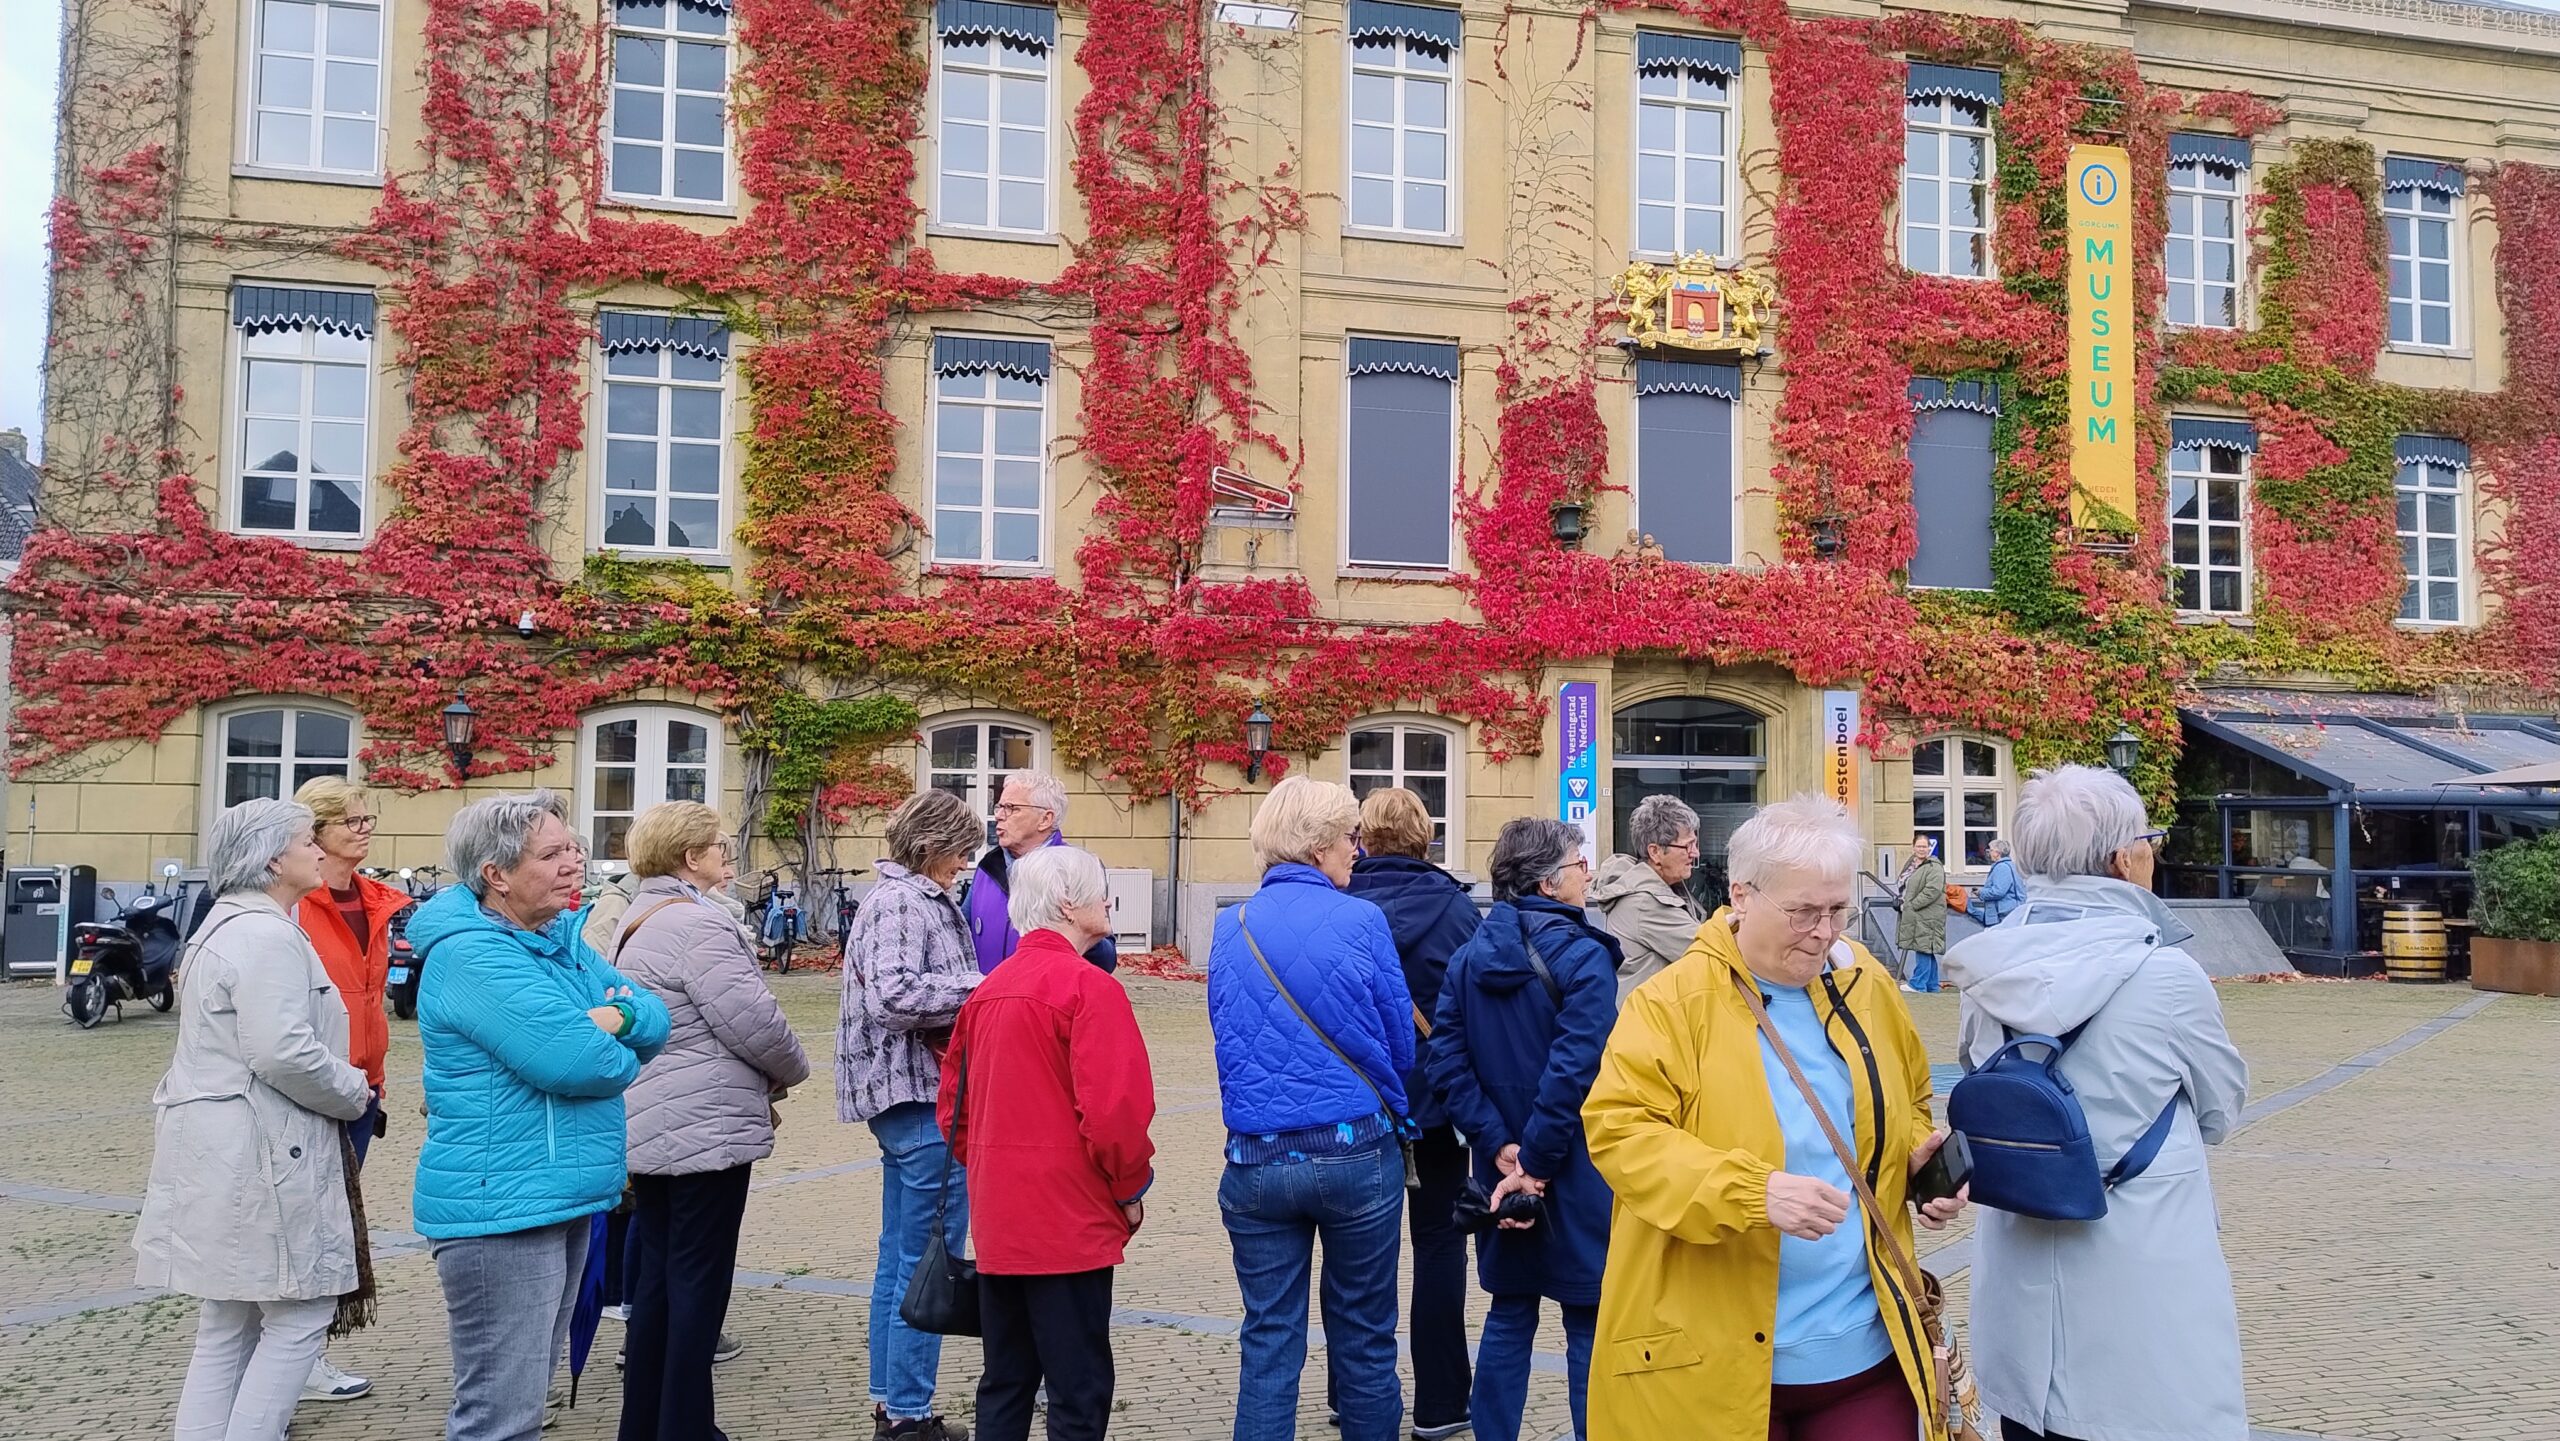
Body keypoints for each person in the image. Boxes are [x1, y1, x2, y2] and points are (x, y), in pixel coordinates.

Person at [1582, 795, 1966, 1440]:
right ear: (1741, 894)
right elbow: (1622, 1134)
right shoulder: (1670, 1004)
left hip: (1864, 1347)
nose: (1824, 931)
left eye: (1837, 909)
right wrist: (1752, 1191)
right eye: (1803, 912)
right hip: (1708, 1355)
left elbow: (1909, 1096)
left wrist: (1914, 1160)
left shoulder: (1863, 982)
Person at [1943, 766, 2252, 1441]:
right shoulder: (2167, 974)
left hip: (2020, 1265)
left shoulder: (1988, 966)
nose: (2154, 851)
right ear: (2120, 857)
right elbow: (2223, 1107)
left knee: (2029, 1420)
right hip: (2143, 1275)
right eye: (2150, 838)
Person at [407, 790, 671, 1441]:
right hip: (501, 1208)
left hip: (557, 1196)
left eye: (573, 847)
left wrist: (618, 1017)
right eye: (551, 853)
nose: (573, 861)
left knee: (521, 1404)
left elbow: (656, 1016)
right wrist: (614, 1037)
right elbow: (585, 1063)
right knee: (499, 1415)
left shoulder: (558, 941)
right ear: (496, 874)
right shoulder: (475, 954)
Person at [133, 798, 375, 1441]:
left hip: (227, 1139)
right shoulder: (264, 932)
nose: (320, 851)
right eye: (307, 842)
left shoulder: (230, 925)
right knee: (299, 1314)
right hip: (261, 1144)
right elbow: (282, 1051)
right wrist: (353, 1092)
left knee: (230, 1318)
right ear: (274, 859)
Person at [1207, 775, 1415, 1441]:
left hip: (1258, 1158)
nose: (1357, 850)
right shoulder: (1361, 920)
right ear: (1322, 844)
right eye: (1350, 838)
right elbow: (1400, 1042)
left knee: (1268, 1341)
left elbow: (1227, 1033)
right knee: (1364, 1336)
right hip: (1354, 1149)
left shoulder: (1228, 926)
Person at [940, 845, 1157, 1441]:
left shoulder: (987, 991)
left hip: (1002, 1215)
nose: (1107, 900)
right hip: (1070, 1219)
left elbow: (953, 1110)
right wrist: (1129, 1186)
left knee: (1005, 1381)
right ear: (1068, 903)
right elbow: (1115, 1113)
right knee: (1077, 1389)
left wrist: (989, 1166)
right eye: (1098, 890)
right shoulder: (1090, 989)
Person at [610, 802, 811, 1441]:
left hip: (658, 1118)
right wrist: (794, 1068)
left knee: (661, 1281)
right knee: (696, 1284)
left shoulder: (635, 916)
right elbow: (754, 1021)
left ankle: (648, 1422)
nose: (729, 856)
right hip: (704, 1127)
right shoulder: (696, 925)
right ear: (690, 857)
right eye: (720, 847)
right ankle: (686, 1428)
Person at [1429, 818, 1622, 1441]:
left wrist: (1499, 1146)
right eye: (1578, 864)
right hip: (1573, 1167)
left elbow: (1447, 1065)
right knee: (1587, 1322)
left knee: (1509, 1316)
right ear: (1548, 881)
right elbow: (1575, 1074)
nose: (1587, 874)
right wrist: (1533, 1161)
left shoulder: (1465, 959)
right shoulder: (1586, 956)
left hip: (1501, 1171)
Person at [838, 789, 987, 1441]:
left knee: (900, 1254)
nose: (966, 862)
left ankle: (890, 1400)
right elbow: (895, 996)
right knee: (928, 1258)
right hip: (919, 1096)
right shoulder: (904, 899)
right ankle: (907, 1414)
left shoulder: (896, 896)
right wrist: (987, 991)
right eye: (961, 850)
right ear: (931, 847)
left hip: (905, 1098)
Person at [1342, 786, 1479, 1439]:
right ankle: (1443, 1402)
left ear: (1361, 837)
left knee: (1353, 1255)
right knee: (1439, 1246)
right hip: (1436, 1102)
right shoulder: (1456, 910)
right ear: (1427, 838)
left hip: (1358, 1102)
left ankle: (1353, 1391)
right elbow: (1474, 1010)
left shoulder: (1339, 905)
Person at [285, 776, 412, 1404]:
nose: (366, 830)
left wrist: (373, 1082)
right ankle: (291, 1363)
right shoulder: (296, 906)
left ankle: (303, 1357)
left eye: (367, 820)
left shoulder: (379, 902)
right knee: (307, 1229)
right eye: (353, 822)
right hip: (313, 1088)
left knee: (335, 1228)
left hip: (365, 1087)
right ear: (318, 832)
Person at [965, 770, 1118, 973]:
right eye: (1000, 806)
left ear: (1045, 819)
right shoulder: (988, 867)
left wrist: (1079, 928)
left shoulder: (1077, 870)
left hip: (1047, 1001)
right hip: (991, 1000)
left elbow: (1106, 960)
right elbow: (960, 932)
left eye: (1011, 808)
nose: (999, 816)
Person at [1590, 794, 1707, 999]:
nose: (1695, 853)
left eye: (1696, 844)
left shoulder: (1649, 886)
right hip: (1648, 1025)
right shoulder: (1646, 902)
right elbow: (1710, 950)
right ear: (1655, 852)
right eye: (1687, 846)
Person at [1898, 832, 1947, 993]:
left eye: (1924, 846)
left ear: (1929, 848)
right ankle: (1931, 985)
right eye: (1918, 846)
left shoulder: (1934, 867)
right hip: (1917, 914)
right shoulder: (1911, 865)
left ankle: (1918, 984)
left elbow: (1932, 890)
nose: (1921, 849)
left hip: (1928, 914)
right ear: (1913, 847)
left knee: (1924, 947)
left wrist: (1913, 904)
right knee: (1926, 948)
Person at [1968, 839, 2025, 928]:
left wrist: (1981, 893)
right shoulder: (2010, 865)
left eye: (1990, 850)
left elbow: (1999, 891)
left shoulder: (2002, 867)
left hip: (2003, 914)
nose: (1988, 853)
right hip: (2009, 911)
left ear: (1997, 853)